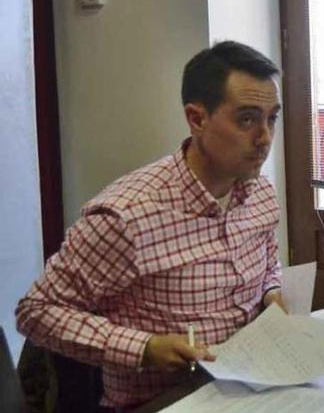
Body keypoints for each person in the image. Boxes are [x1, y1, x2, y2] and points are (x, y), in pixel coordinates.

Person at [16, 41, 287, 409]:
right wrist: (144, 348)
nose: (265, 138)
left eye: (272, 118)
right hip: (165, 400)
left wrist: (271, 291)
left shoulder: (260, 194)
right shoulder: (126, 216)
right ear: (197, 118)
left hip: (249, 387)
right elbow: (36, 312)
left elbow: (267, 260)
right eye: (247, 119)